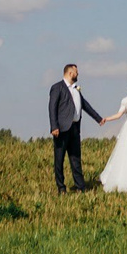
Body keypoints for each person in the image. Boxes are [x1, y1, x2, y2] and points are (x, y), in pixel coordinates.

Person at [47, 62, 110, 192]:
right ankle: (61, 188)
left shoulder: (76, 89)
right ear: (70, 73)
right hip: (62, 129)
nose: (78, 74)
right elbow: (52, 108)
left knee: (75, 158)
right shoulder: (57, 87)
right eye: (76, 72)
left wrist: (98, 118)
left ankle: (80, 187)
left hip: (75, 129)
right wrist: (54, 126)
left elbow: (84, 105)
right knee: (59, 159)